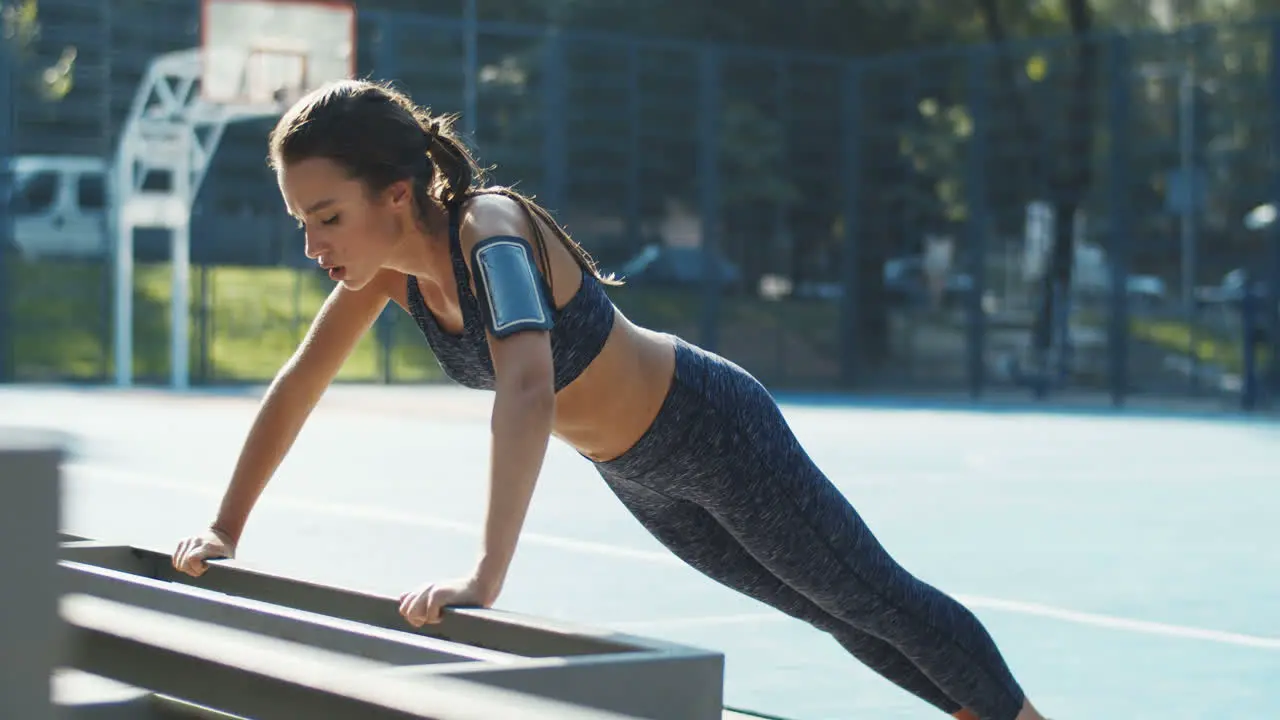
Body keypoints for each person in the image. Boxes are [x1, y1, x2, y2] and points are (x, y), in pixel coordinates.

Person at [170, 79, 1047, 720]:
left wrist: (485, 574)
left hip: (710, 429)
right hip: (640, 475)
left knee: (874, 597)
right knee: (827, 607)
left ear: (395, 194)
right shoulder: (385, 276)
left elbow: (525, 384)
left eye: (326, 216)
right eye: (301, 224)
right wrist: (226, 527)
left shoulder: (492, 229)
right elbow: (297, 388)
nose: (313, 244)